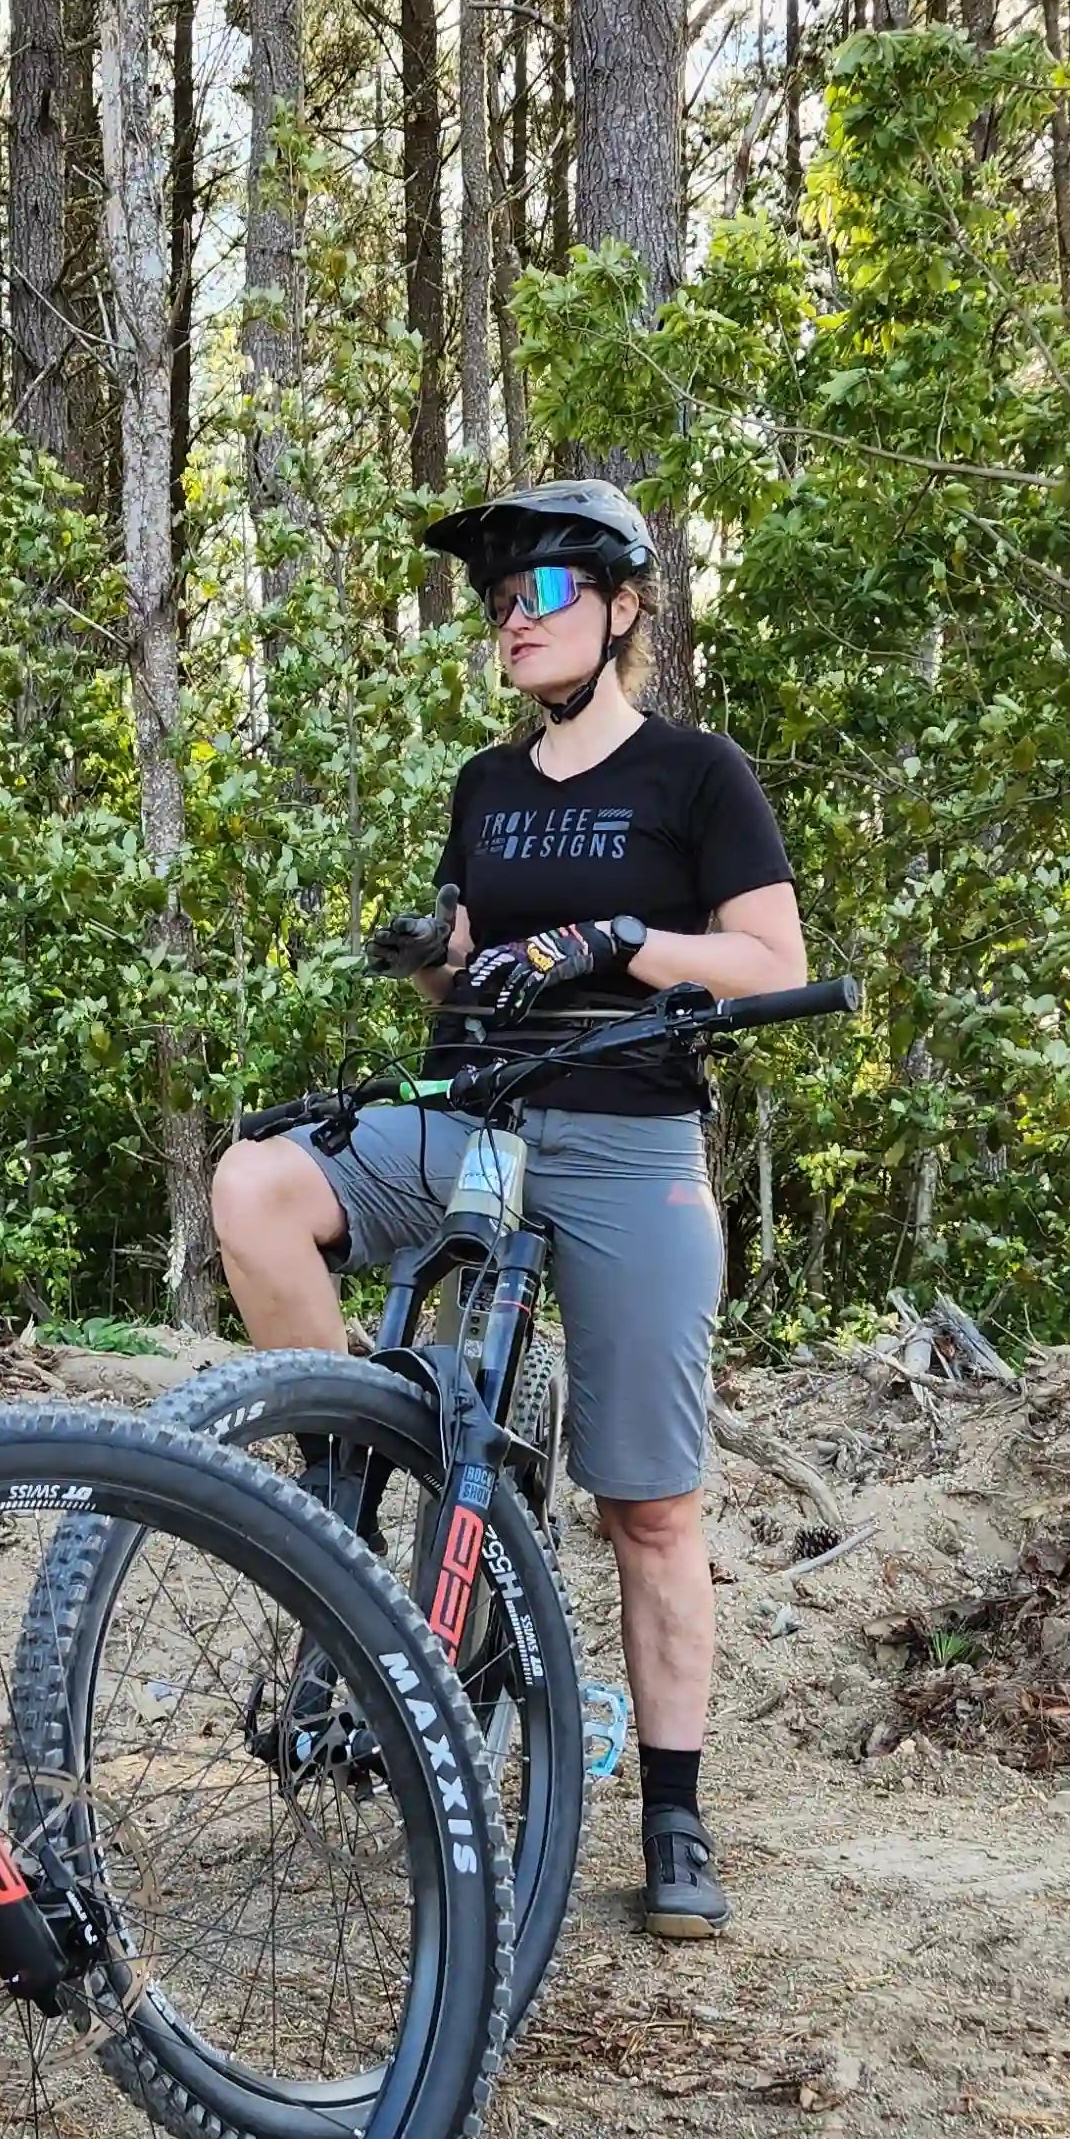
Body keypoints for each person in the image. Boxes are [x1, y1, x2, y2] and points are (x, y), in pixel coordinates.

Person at [208, 479, 807, 1941]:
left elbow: (771, 962)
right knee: (255, 1186)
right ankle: (353, 1473)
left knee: (648, 1507)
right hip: (470, 1127)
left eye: (541, 594)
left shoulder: (695, 776)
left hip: (624, 1141)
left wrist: (625, 941)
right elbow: (472, 973)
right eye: (498, 601)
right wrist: (433, 955)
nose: (511, 621)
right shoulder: (487, 787)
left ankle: (671, 1812)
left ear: (618, 612)